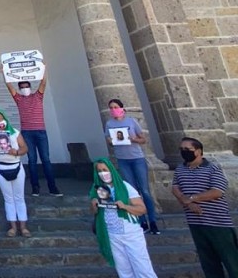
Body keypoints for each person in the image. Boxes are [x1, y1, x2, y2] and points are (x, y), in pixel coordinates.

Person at [172, 137, 238, 277]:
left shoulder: (212, 168)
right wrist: (187, 203)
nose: (184, 152)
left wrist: (191, 198)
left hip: (218, 223)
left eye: (187, 149)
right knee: (208, 262)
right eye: (181, 149)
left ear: (199, 151)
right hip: (196, 223)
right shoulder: (180, 169)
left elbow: (217, 191)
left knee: (231, 260)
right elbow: (175, 188)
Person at [90, 158, 157, 278]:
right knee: (124, 270)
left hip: (130, 233)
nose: (102, 173)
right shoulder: (97, 189)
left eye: (105, 170)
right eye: (99, 171)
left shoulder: (124, 186)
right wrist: (94, 204)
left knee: (142, 268)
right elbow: (95, 212)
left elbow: (142, 209)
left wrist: (125, 206)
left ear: (111, 170)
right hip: (112, 234)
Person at [4, 66, 62, 197]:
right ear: (20, 89)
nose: (25, 89)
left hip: (41, 132)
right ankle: (35, 187)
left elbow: (43, 83)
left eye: (26, 86)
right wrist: (5, 73)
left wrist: (43, 69)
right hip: (27, 133)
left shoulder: (38, 96)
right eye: (22, 87)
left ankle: (52, 187)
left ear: (30, 86)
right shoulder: (19, 99)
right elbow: (9, 86)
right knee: (31, 160)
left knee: (46, 159)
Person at [105, 98, 159, 234]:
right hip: (122, 160)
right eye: (111, 107)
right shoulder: (109, 124)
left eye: (115, 107)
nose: (113, 109)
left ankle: (152, 221)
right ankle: (142, 221)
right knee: (133, 192)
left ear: (122, 108)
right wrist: (111, 141)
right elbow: (109, 141)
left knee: (145, 191)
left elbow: (143, 139)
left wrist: (133, 139)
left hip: (137, 158)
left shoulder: (131, 122)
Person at [0, 108, 29, 237]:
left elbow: (25, 147)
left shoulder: (14, 132)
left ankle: (23, 226)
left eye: (1, 118)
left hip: (16, 166)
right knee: (8, 198)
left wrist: (16, 152)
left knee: (19, 197)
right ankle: (13, 227)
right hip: (0, 168)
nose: (0, 121)